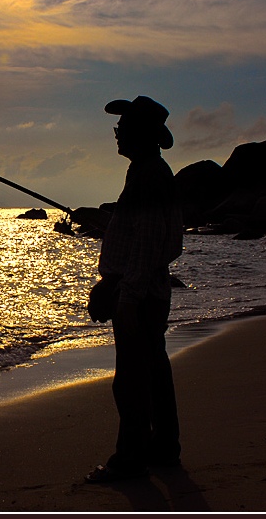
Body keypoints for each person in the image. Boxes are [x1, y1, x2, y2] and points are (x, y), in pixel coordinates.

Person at [84, 95, 184, 483]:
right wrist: (108, 222)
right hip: (150, 294)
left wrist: (127, 297)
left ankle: (130, 461)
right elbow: (150, 236)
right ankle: (164, 448)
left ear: (141, 134)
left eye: (122, 129)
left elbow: (147, 243)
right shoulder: (151, 173)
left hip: (140, 297)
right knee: (154, 371)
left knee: (131, 381)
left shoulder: (148, 176)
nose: (117, 135)